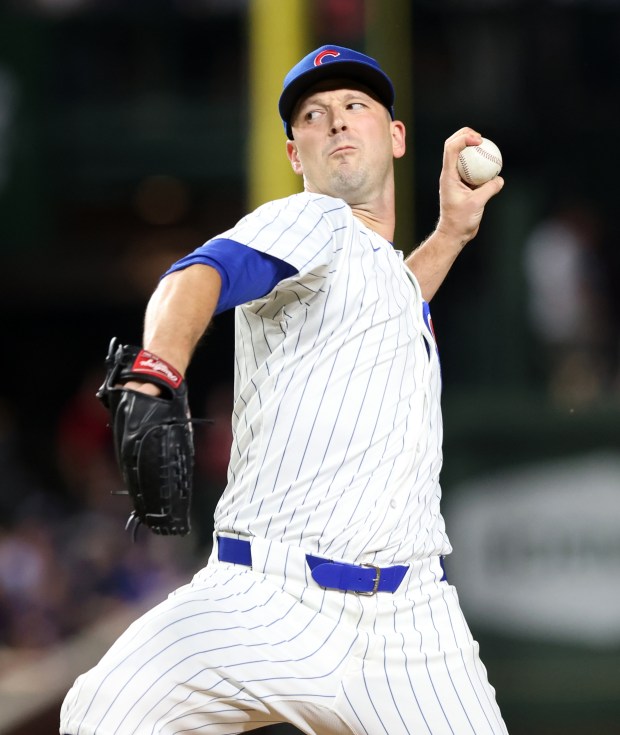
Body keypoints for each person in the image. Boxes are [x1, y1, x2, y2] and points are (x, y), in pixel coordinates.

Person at [60, 44, 507, 735]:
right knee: (105, 715)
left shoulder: (385, 273)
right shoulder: (312, 219)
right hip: (270, 597)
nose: (334, 121)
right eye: (312, 114)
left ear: (395, 137)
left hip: (414, 624)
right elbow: (197, 275)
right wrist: (157, 368)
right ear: (295, 154)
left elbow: (388, 297)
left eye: (355, 106)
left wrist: (450, 232)